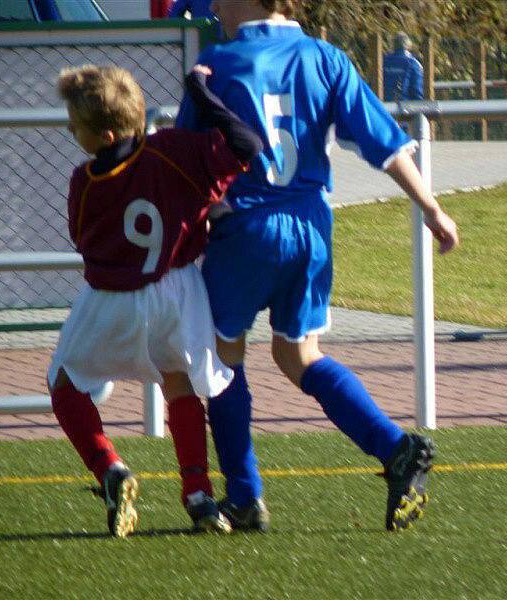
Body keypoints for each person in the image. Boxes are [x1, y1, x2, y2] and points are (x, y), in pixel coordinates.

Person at [176, 0, 459, 532]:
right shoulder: (325, 57)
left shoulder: (218, 62)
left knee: (221, 357)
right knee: (298, 355)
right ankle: (396, 448)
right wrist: (432, 208)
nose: (213, 4)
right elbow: (387, 145)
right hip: (310, 229)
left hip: (246, 230)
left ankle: (245, 496)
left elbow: (188, 160)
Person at [50, 63, 263, 537]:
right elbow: (245, 145)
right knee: (179, 383)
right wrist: (200, 92)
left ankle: (110, 469)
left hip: (112, 297)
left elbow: (83, 239)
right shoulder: (172, 150)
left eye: (76, 125)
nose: (70, 130)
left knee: (64, 384)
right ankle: (200, 496)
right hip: (177, 289)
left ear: (105, 135)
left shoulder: (84, 181)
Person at [383, 31, 424, 102]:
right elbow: (417, 90)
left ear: (393, 44)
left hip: (383, 105)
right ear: (408, 44)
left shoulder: (383, 61)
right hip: (405, 106)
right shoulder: (413, 63)